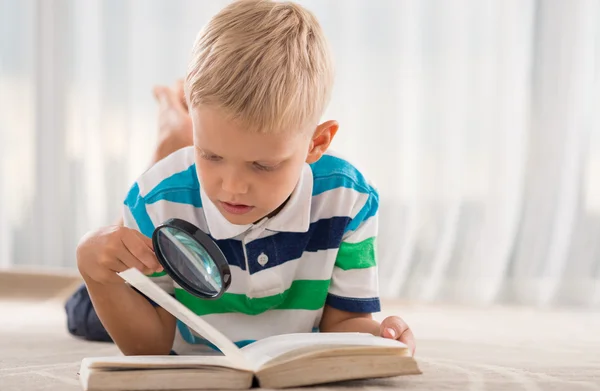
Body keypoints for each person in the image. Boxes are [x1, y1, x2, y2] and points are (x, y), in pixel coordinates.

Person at [69, 0, 416, 356]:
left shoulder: (347, 199)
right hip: (170, 290)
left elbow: (344, 324)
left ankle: (185, 139)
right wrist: (93, 272)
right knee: (84, 314)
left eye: (263, 165)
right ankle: (173, 136)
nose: (232, 187)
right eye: (210, 154)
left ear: (317, 143)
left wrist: (378, 339)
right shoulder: (155, 199)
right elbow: (150, 347)